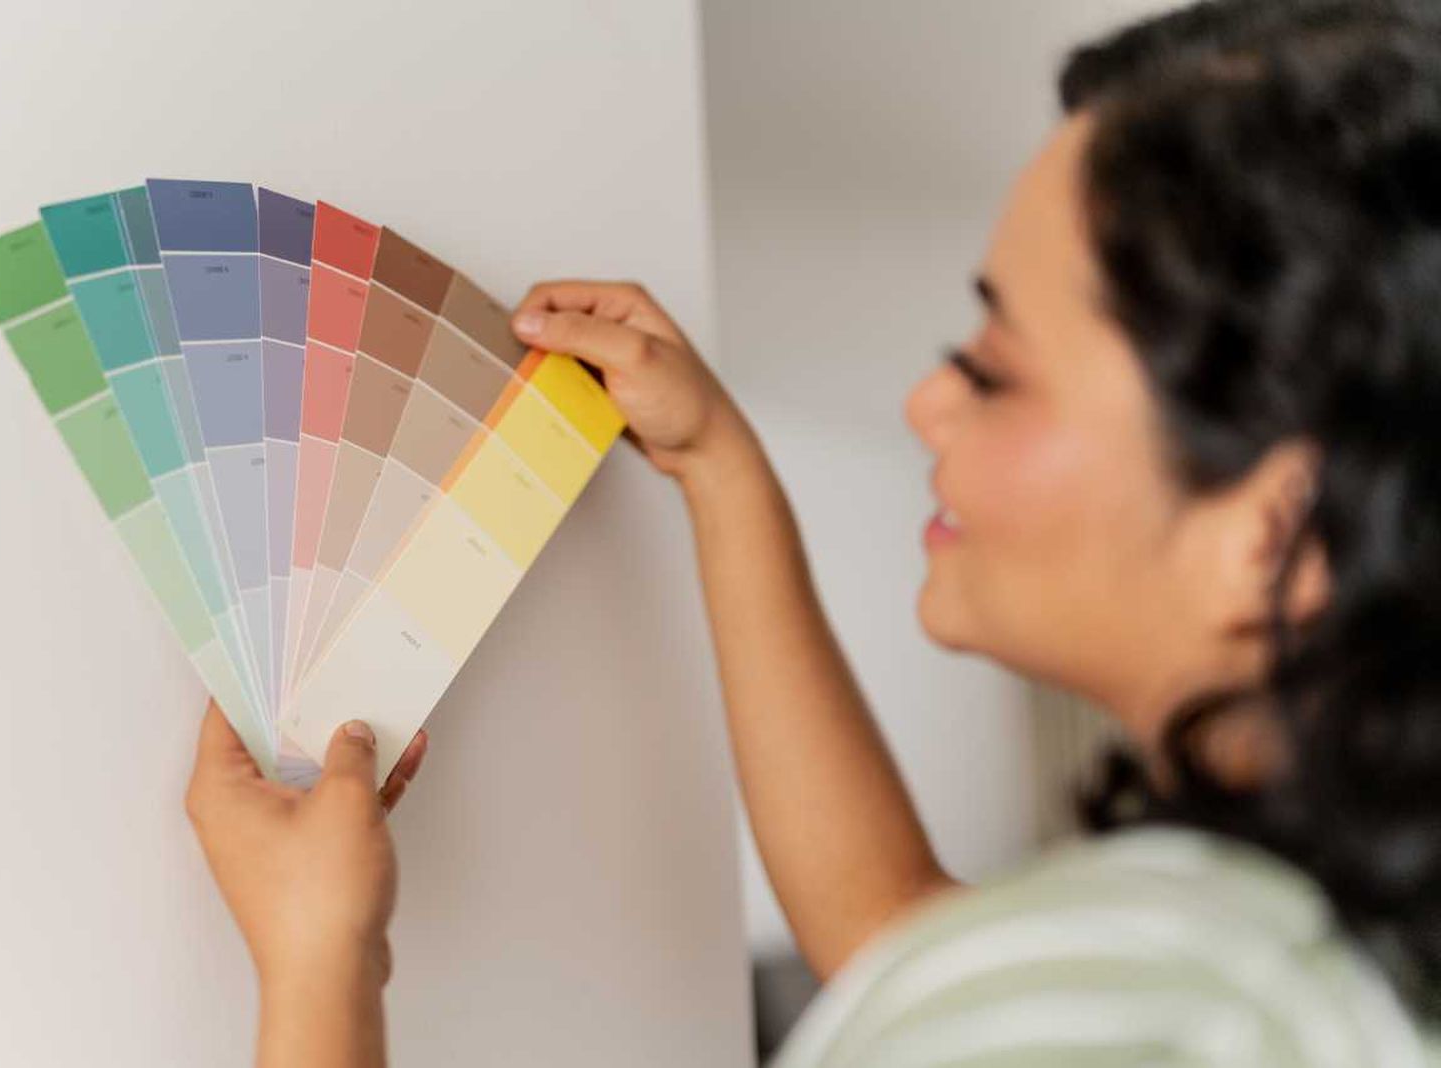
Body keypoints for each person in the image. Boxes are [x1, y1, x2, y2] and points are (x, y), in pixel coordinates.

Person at [182, 1, 1441, 1063]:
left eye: (992, 368)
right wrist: (722, 477)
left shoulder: (1125, 1014)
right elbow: (907, 952)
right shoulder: (1273, 969)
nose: (925, 401)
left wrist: (318, 970)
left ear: (1269, 533)